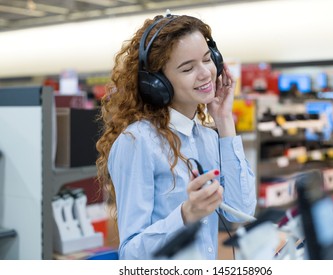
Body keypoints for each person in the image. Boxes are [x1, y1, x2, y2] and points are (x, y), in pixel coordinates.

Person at [96, 12, 256, 260]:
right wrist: (186, 214)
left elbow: (240, 211)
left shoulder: (208, 137)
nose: (205, 73)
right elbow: (130, 255)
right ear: (157, 83)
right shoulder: (137, 142)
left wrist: (224, 121)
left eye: (207, 59)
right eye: (187, 68)